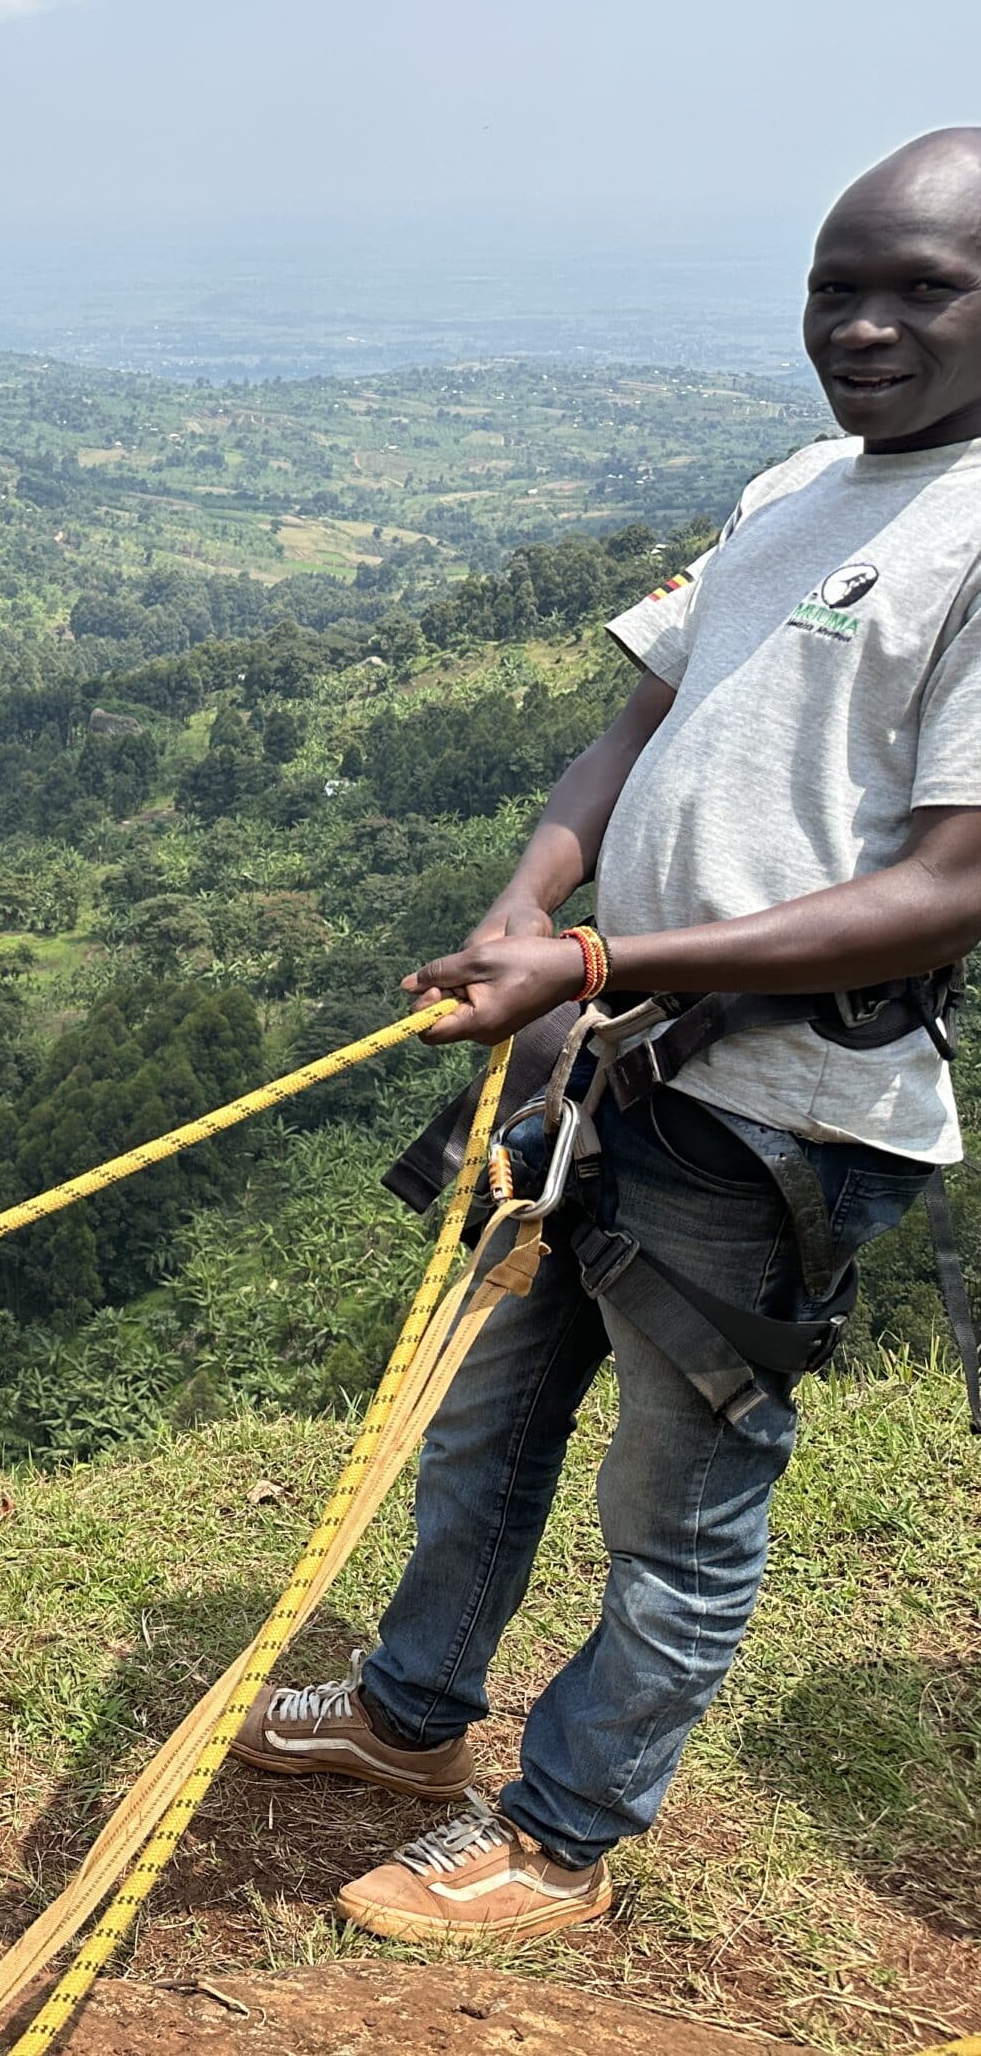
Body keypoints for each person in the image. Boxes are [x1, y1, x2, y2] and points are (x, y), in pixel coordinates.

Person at [230, 128, 981, 1941]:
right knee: (489, 1405)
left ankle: (564, 1825)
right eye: (837, 287)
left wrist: (591, 960)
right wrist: (531, 898)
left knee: (683, 1489)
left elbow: (950, 886)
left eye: (921, 291)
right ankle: (414, 1720)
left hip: (782, 1110)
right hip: (611, 1063)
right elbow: (630, 732)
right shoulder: (797, 485)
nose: (865, 327)